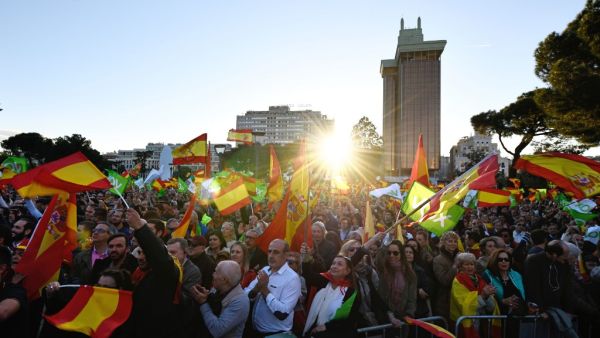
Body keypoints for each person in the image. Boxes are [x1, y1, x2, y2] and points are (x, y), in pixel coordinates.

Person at [126, 208, 183, 338]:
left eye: (150, 231)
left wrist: (140, 227)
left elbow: (160, 258)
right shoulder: (137, 268)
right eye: (140, 253)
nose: (140, 258)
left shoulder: (167, 266)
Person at [245, 239, 301, 336]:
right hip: (254, 330)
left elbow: (282, 313)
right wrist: (257, 288)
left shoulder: (292, 279)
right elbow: (246, 294)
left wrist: (264, 290)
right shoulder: (265, 270)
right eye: (269, 251)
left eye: (276, 252)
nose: (271, 256)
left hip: (275, 334)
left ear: (286, 255)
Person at [302, 255, 361, 337]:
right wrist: (306, 259)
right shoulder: (324, 281)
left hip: (335, 333)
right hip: (315, 330)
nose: (334, 266)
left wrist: (326, 326)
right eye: (333, 263)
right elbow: (308, 276)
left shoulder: (351, 293)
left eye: (339, 264)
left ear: (347, 271)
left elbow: (347, 319)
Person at [190, 260, 250, 338]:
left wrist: (203, 303)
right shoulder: (218, 288)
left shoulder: (240, 301)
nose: (213, 274)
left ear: (224, 280)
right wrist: (207, 296)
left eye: (216, 272)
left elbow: (217, 330)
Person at [450, 252, 499, 338]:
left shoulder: (479, 279)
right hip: (464, 324)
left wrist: (488, 296)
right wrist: (483, 296)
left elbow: (491, 307)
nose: (470, 267)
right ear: (460, 266)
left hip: (481, 323)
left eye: (472, 264)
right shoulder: (457, 281)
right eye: (466, 264)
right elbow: (463, 304)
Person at [483, 248, 526, 337]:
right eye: (500, 260)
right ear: (495, 261)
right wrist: (503, 301)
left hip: (516, 318)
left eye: (506, 259)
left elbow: (523, 294)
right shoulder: (487, 275)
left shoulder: (516, 275)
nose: (504, 262)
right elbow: (487, 297)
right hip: (496, 317)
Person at [0, 245, 28, 338]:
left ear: (2, 268)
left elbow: (2, 313)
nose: (15, 257)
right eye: (14, 254)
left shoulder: (15, 291)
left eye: (21, 254)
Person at [432, 231, 459, 321]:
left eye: (455, 241)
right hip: (445, 302)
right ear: (443, 242)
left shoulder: (459, 257)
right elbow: (444, 280)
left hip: (458, 299)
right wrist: (455, 266)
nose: (453, 244)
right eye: (450, 241)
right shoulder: (438, 260)